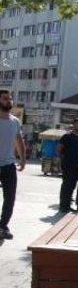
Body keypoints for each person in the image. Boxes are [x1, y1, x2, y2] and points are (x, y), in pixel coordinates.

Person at [0, 90, 25, 240]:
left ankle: (3, 226)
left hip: (9, 165)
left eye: (10, 99)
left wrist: (23, 159)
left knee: (10, 197)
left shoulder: (15, 121)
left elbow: (19, 140)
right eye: (5, 99)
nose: (8, 101)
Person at [58, 118, 78, 213]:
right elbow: (59, 149)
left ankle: (68, 205)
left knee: (72, 186)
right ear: (73, 125)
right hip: (68, 165)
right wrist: (63, 161)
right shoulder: (67, 136)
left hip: (76, 166)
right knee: (66, 185)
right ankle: (63, 206)